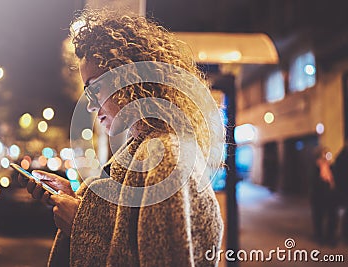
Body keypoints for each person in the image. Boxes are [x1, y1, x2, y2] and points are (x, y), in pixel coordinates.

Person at [18, 8, 224, 266]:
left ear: (128, 78)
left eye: (94, 88)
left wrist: (80, 226)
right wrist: (78, 201)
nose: (91, 106)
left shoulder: (166, 158)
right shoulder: (144, 150)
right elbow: (128, 232)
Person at [309, 146, 338, 246]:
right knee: (319, 218)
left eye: (327, 154)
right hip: (319, 196)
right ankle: (319, 237)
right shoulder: (316, 167)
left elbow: (335, 180)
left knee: (332, 217)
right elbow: (314, 183)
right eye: (324, 154)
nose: (326, 156)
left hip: (330, 196)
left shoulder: (331, 166)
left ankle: (330, 237)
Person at [333, 142, 348, 243]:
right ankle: (345, 236)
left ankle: (344, 235)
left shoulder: (341, 156)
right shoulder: (343, 157)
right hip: (344, 189)